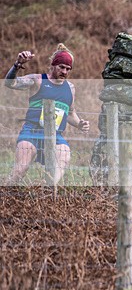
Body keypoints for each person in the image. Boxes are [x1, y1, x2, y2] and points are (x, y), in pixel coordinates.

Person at [5, 44, 90, 185]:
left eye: (68, 69)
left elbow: (70, 112)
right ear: (53, 65)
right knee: (20, 170)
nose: (64, 71)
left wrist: (80, 124)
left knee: (63, 156)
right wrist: (18, 64)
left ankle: (47, 194)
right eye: (61, 67)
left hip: (55, 135)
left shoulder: (70, 88)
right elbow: (10, 83)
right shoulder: (38, 80)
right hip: (31, 132)